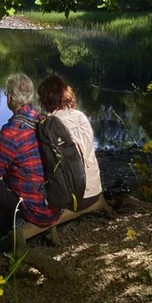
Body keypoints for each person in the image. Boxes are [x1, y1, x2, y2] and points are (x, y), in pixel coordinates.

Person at [0, 73, 61, 236]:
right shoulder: (42, 119)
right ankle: (5, 228)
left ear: (9, 97)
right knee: (14, 175)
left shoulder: (12, 131)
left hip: (35, 209)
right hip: (54, 204)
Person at [37, 74, 104, 214]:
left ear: (45, 100)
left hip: (76, 198)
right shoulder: (80, 116)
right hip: (96, 189)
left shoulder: (51, 126)